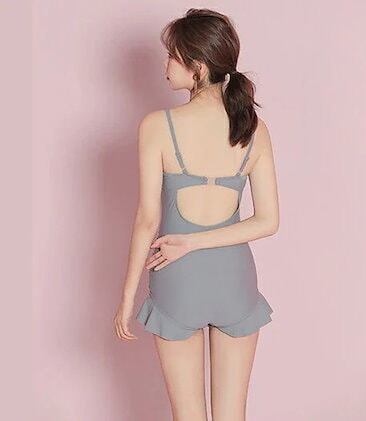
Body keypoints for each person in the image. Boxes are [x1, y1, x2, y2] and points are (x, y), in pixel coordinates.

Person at [114, 8, 279, 421]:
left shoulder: (156, 126)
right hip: (235, 281)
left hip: (177, 281)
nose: (165, 64)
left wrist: (128, 296)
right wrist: (198, 242)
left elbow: (147, 219)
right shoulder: (253, 128)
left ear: (198, 67)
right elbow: (268, 221)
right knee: (232, 415)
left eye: (172, 55)